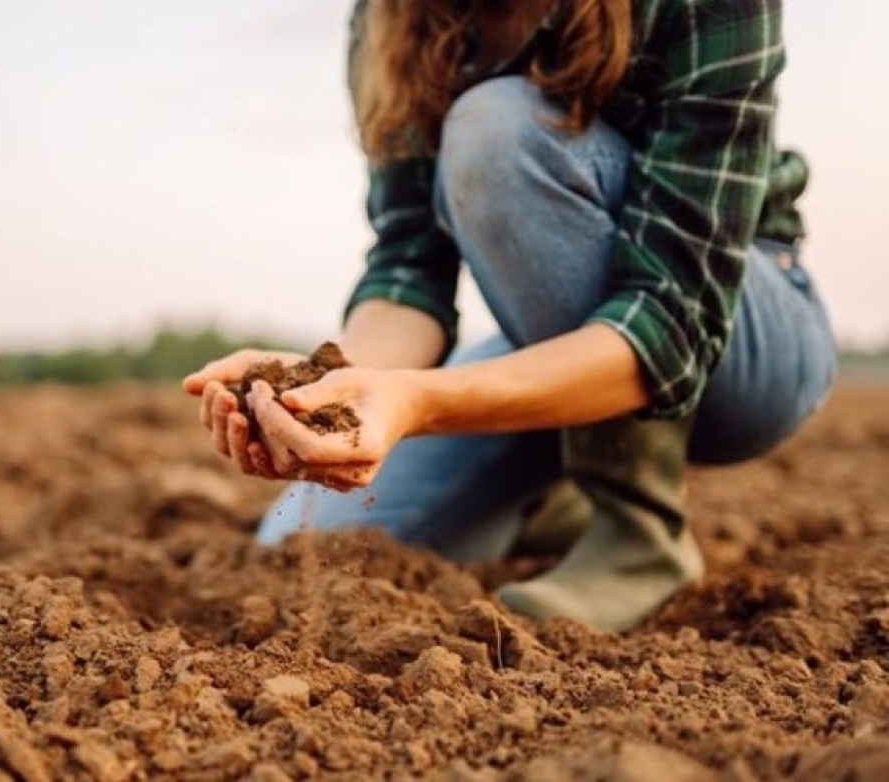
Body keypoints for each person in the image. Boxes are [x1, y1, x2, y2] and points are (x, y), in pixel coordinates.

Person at [183, 0, 835, 632]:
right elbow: (409, 269)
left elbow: (673, 319)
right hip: (568, 346)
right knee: (296, 535)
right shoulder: (391, 14)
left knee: (494, 132)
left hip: (739, 330)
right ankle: (560, 502)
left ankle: (637, 531)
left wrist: (420, 403)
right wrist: (325, 389)